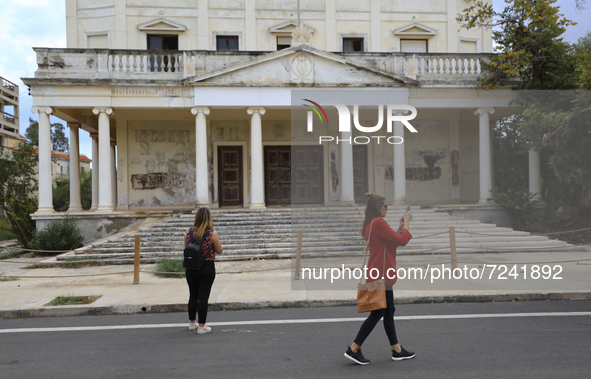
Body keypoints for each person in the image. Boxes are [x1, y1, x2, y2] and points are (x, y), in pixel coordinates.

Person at [344, 193, 414, 365]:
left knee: (388, 311)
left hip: (378, 274)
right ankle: (353, 348)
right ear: (378, 208)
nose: (387, 209)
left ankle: (397, 350)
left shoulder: (371, 224)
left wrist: (398, 228)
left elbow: (391, 241)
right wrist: (407, 223)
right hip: (382, 276)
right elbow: (402, 241)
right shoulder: (379, 223)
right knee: (378, 313)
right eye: (385, 206)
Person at [184, 207, 223, 334]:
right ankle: (202, 326)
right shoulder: (212, 234)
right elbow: (219, 250)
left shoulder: (188, 232)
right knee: (203, 297)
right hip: (206, 267)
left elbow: (187, 248)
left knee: (193, 295)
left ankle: (191, 323)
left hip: (191, 267)